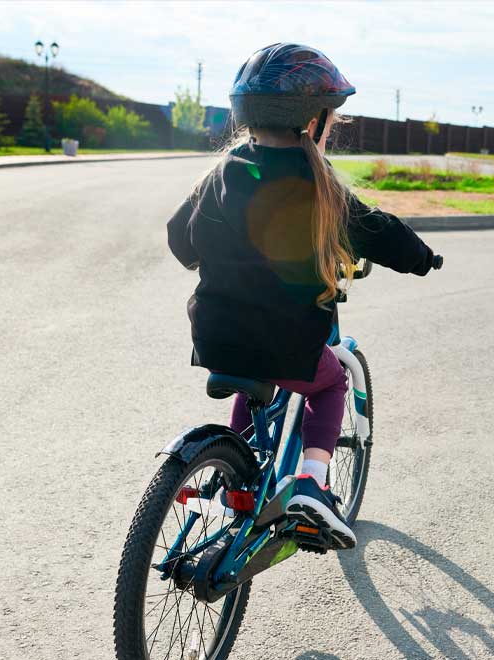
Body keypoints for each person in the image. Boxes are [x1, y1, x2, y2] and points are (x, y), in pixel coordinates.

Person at [167, 43, 440, 550]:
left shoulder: (221, 173)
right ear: (311, 121)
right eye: (330, 116)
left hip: (215, 335)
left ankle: (234, 479)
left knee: (257, 381)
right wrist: (422, 257)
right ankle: (313, 483)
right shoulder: (320, 184)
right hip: (287, 342)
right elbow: (377, 231)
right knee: (330, 381)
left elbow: (179, 237)